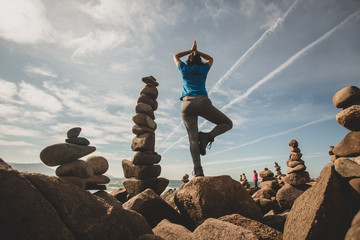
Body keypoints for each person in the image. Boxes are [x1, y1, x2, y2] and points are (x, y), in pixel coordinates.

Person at [173, 40, 233, 177]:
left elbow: (176, 56)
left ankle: (198, 171)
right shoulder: (203, 68)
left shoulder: (184, 68)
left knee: (193, 139)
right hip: (203, 101)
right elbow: (211, 59)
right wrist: (197, 51)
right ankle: (208, 136)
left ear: (189, 60)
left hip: (187, 104)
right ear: (200, 60)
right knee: (228, 123)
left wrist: (190, 51)